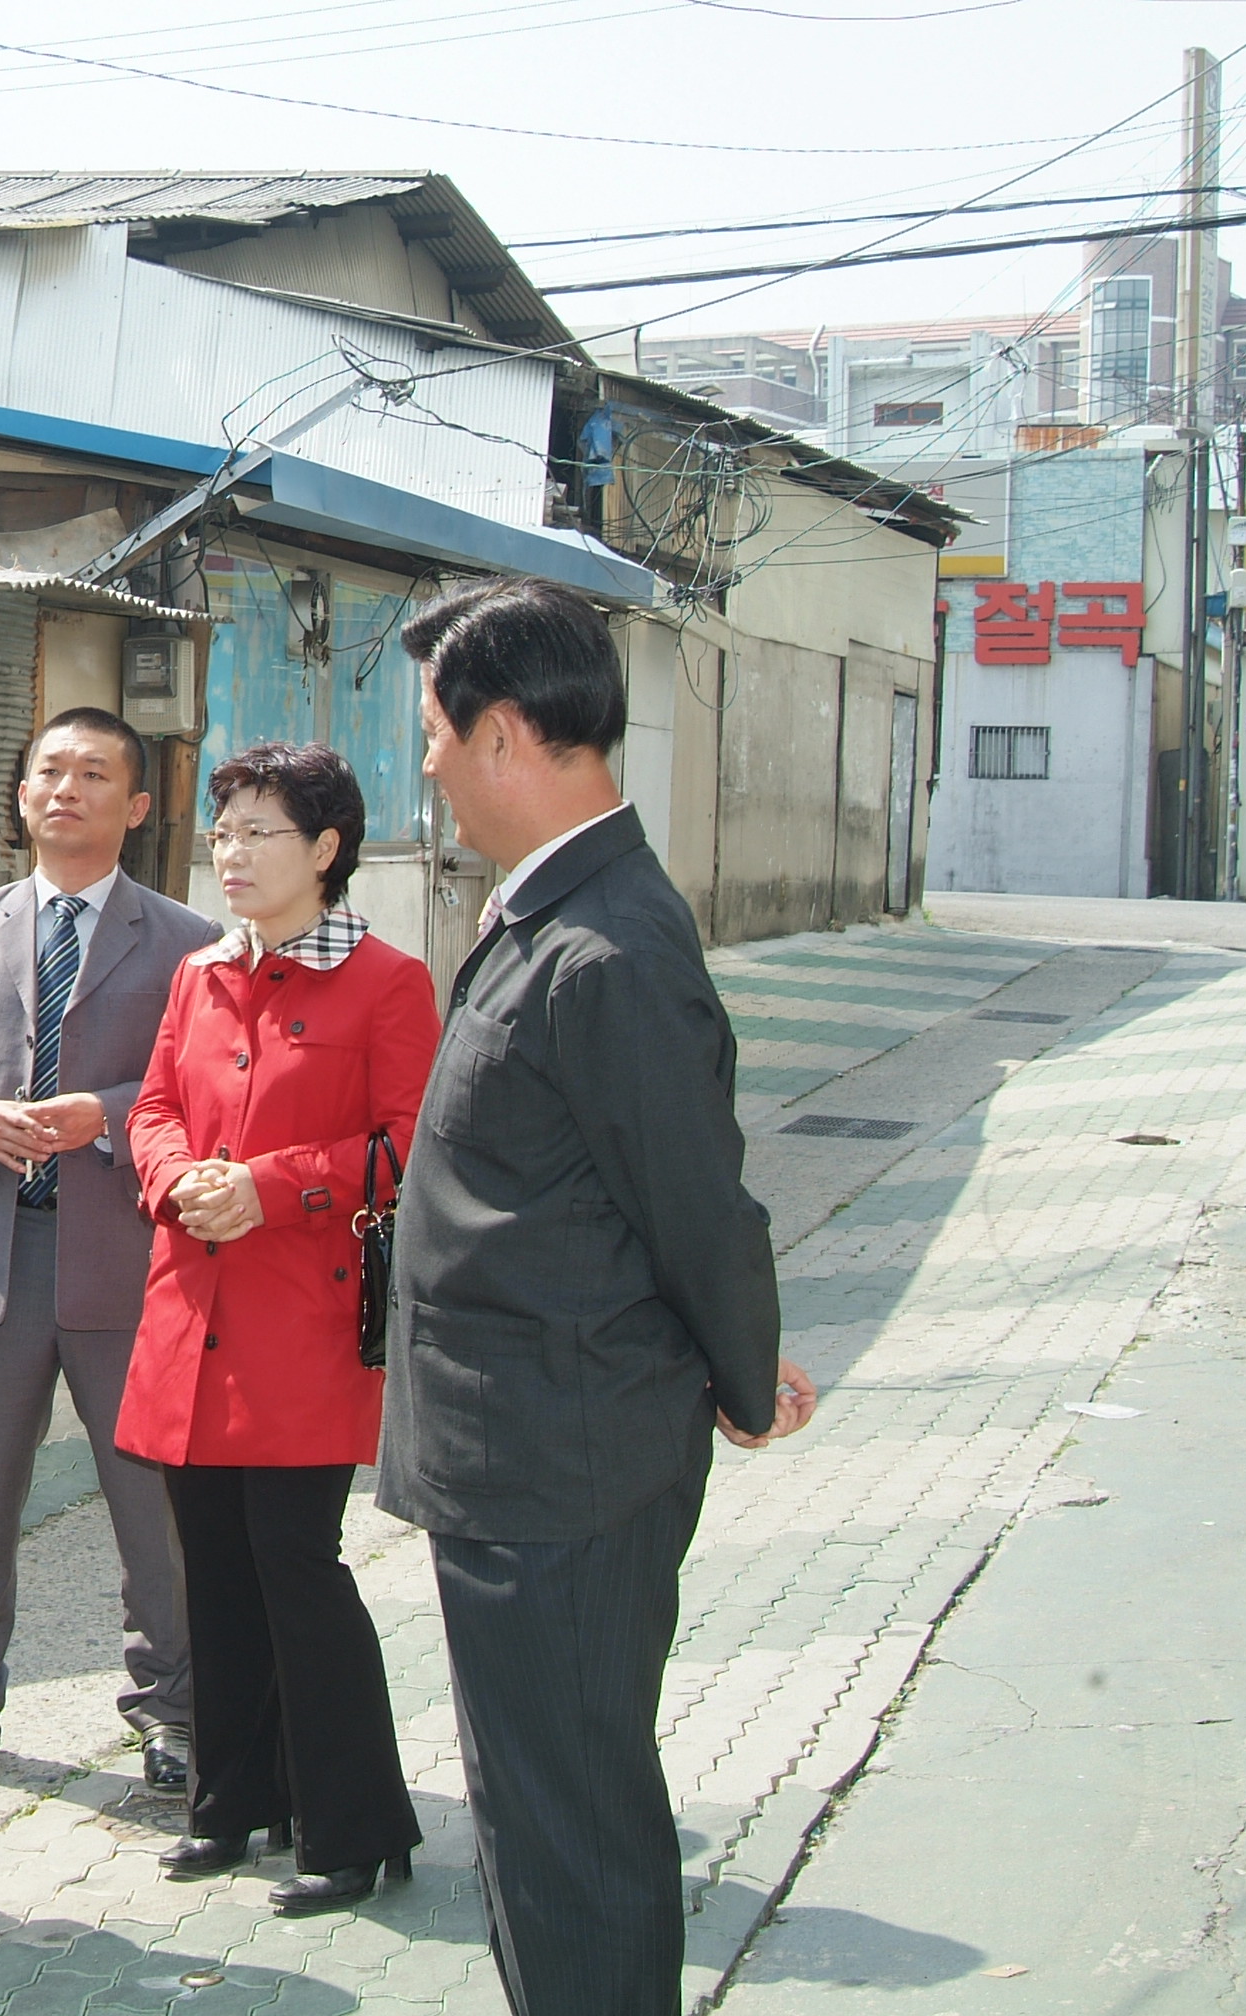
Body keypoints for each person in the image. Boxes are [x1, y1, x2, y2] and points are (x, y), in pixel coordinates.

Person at [380, 578, 819, 2016]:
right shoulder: (551, 910)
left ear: (506, 731)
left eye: (436, 732)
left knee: (572, 1826)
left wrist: (746, 1380)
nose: (427, 763)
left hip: (558, 1463)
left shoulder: (610, 944)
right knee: (532, 1811)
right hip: (521, 1447)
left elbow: (695, 1202)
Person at [118, 741, 440, 1918]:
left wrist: (277, 1184)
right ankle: (233, 1803)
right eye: (225, 830)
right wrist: (173, 1178)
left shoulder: (387, 983)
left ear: (326, 849)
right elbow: (154, 1104)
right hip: (192, 1320)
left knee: (298, 1569)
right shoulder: (200, 974)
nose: (233, 852)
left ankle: (355, 1825)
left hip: (302, 1327)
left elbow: (410, 1149)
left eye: (260, 831)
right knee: (215, 1575)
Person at [0, 708, 216, 1795]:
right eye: (48, 772)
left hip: (123, 1260)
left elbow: (210, 1089)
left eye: (93, 774)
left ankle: (173, 1712)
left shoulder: (184, 942)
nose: (65, 790)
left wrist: (106, 1114)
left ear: (136, 804)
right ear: (21, 796)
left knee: (150, 1508)